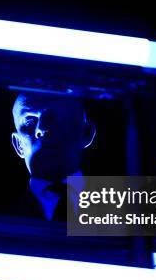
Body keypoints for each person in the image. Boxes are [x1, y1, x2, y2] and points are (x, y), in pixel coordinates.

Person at [11, 92, 96, 221]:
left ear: (86, 133)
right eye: (29, 121)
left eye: (58, 117)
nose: (42, 128)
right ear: (18, 145)